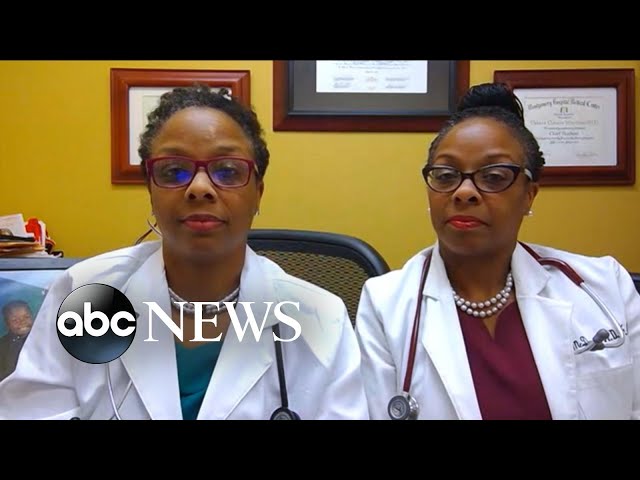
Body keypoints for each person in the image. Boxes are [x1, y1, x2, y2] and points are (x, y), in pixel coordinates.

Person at [0, 84, 369, 420]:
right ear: (151, 189)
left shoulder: (321, 318)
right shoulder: (84, 293)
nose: (199, 188)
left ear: (258, 193)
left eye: (227, 171)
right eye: (174, 171)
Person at [355, 82, 640, 420]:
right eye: (445, 175)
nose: (464, 192)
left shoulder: (606, 286)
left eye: (493, 176)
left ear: (529, 195)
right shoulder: (385, 304)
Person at [0, 300, 34, 381]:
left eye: (26, 317)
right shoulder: (2, 346)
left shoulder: (42, 336)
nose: (22, 322)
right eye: (15, 320)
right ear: (7, 324)